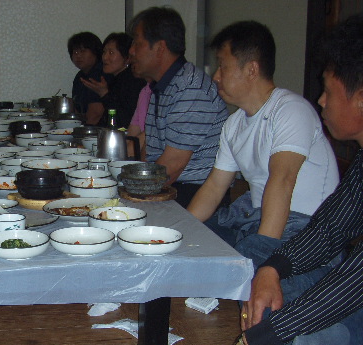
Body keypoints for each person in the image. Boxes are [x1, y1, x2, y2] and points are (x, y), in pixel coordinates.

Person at [218, 13, 363, 345]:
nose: (321, 100)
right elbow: (330, 227)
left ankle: (329, 327)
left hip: (355, 291)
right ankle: (327, 325)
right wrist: (273, 268)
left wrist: (253, 344)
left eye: (328, 90)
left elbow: (356, 279)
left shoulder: (290, 110)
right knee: (270, 284)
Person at [187, 21, 339, 267]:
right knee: (194, 243)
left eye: (223, 66)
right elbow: (214, 188)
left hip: (305, 231)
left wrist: (263, 259)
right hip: (255, 218)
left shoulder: (291, 110)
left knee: (239, 267)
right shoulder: (234, 124)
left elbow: (282, 181)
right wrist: (180, 232)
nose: (216, 76)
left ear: (251, 69)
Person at [128, 6, 228, 208]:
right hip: (167, 188)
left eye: (137, 43)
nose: (131, 51)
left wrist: (126, 193)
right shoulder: (163, 86)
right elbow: (150, 153)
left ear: (160, 48)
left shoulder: (190, 88)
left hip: (195, 196)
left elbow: (171, 167)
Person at [80, 32, 146, 129]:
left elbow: (122, 120)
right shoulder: (116, 79)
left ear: (127, 58)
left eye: (111, 53)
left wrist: (104, 94)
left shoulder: (132, 81)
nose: (105, 57)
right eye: (104, 52)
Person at [67, 32, 107, 125]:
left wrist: (80, 131)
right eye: (75, 52)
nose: (78, 56)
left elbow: (95, 115)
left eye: (83, 51)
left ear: (95, 52)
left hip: (100, 129)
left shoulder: (99, 74)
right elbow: (77, 110)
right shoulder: (80, 76)